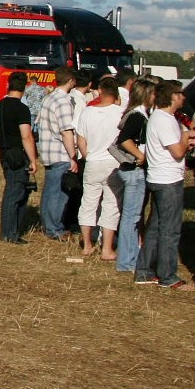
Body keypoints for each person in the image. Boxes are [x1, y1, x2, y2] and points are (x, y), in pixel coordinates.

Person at [136, 80, 194, 289]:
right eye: (180, 94)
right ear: (172, 97)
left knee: (155, 227)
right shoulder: (164, 120)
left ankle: (144, 271)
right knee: (170, 230)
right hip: (168, 180)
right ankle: (168, 276)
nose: (183, 98)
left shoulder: (161, 118)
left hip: (159, 178)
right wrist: (187, 136)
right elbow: (177, 152)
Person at [75, 75, 125, 259]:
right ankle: (107, 248)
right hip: (114, 163)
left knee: (88, 202)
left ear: (100, 91)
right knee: (111, 204)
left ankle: (87, 244)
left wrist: (88, 156)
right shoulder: (121, 113)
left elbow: (81, 140)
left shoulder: (88, 112)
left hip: (93, 161)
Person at [111, 76, 156, 274]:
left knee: (132, 216)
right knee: (132, 216)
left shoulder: (135, 113)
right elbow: (124, 140)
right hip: (134, 171)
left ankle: (129, 258)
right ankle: (127, 261)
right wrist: (141, 156)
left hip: (132, 171)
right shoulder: (137, 116)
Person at [35, 67, 80, 240]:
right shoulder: (63, 101)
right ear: (71, 81)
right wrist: (73, 156)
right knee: (59, 194)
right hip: (60, 152)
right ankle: (55, 228)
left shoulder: (48, 98)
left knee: (49, 192)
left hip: (47, 151)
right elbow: (66, 131)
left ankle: (47, 225)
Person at [0, 71, 38, 243]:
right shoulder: (22, 109)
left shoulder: (0, 105)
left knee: (14, 190)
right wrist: (33, 159)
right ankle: (9, 233)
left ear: (9, 84)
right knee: (14, 194)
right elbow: (26, 136)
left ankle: (11, 230)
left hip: (5, 152)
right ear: (25, 87)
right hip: (18, 155)